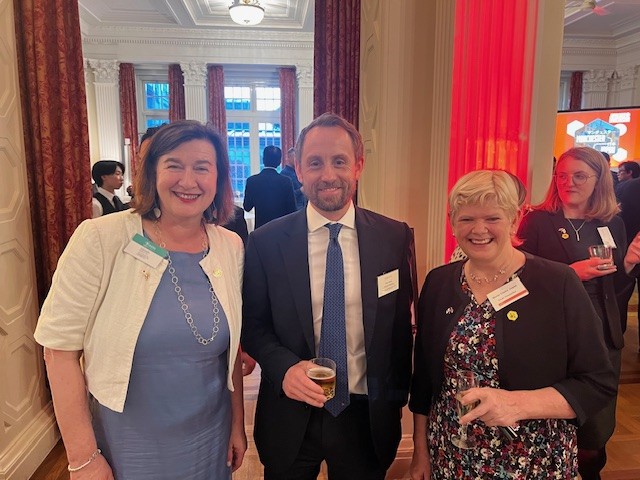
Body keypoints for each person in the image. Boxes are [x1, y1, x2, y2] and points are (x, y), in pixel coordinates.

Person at [34, 120, 247, 479]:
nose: (188, 181)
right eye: (174, 165)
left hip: (210, 434)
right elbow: (58, 351)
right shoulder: (101, 238)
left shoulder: (230, 246)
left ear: (219, 178)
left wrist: (237, 424)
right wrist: (83, 458)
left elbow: (231, 351)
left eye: (202, 168)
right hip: (128, 439)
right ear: (152, 173)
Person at [410, 170, 617, 480]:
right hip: (451, 452)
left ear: (514, 219)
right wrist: (420, 452)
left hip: (531, 457)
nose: (479, 229)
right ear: (452, 222)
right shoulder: (439, 282)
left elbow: (598, 381)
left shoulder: (557, 282)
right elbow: (424, 380)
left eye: (492, 218)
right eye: (467, 219)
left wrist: (517, 404)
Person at [242, 113, 413, 479]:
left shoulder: (394, 237)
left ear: (358, 166)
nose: (328, 175)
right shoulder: (265, 243)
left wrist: (396, 400)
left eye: (339, 161)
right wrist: (284, 367)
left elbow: (399, 326)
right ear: (298, 170)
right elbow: (252, 325)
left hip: (366, 415)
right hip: (291, 410)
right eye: (315, 163)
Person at [517, 147, 640, 479]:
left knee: (595, 435)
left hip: (602, 337)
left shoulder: (612, 223)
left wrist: (628, 263)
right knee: (555, 424)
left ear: (599, 180)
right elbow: (518, 280)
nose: (568, 182)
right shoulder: (537, 221)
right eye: (562, 175)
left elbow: (614, 289)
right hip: (554, 337)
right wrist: (571, 273)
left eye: (579, 176)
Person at [243, 145, 296, 228]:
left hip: (261, 229)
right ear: (279, 162)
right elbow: (292, 210)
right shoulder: (286, 181)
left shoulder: (252, 181)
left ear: (263, 160)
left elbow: (247, 207)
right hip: (281, 229)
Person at [616, 175, 640, 347]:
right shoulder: (628, 187)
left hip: (624, 251)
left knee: (621, 297)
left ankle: (616, 335)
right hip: (629, 254)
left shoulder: (626, 187)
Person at [281, 146, 307, 210]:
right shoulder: (284, 175)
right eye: (294, 157)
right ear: (288, 158)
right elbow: (284, 196)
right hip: (293, 209)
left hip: (304, 206)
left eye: (298, 157)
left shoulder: (300, 172)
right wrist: (300, 191)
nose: (297, 160)